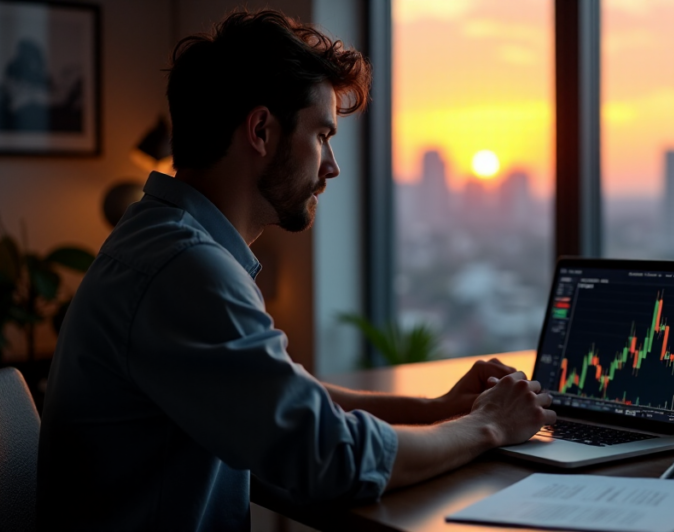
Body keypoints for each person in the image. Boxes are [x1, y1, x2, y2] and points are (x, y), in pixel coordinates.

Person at [36, 10, 556, 531]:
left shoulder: (160, 240)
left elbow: (285, 397)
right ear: (261, 130)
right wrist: (487, 426)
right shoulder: (185, 270)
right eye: (322, 135)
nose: (331, 165)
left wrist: (437, 408)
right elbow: (331, 458)